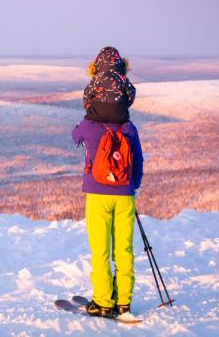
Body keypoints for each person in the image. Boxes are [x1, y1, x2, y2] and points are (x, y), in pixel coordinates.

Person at [72, 49, 144, 318]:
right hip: (124, 195)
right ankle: (123, 302)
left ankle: (103, 302)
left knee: (100, 250)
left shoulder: (88, 126)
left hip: (97, 194)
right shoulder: (129, 128)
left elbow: (74, 136)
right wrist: (131, 186)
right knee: (124, 249)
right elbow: (138, 163)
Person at [83, 46, 136, 124]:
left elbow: (87, 94)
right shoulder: (122, 78)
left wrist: (88, 105)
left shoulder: (97, 78)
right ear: (121, 64)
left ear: (97, 64)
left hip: (96, 116)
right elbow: (132, 92)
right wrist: (123, 105)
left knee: (79, 131)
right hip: (119, 116)